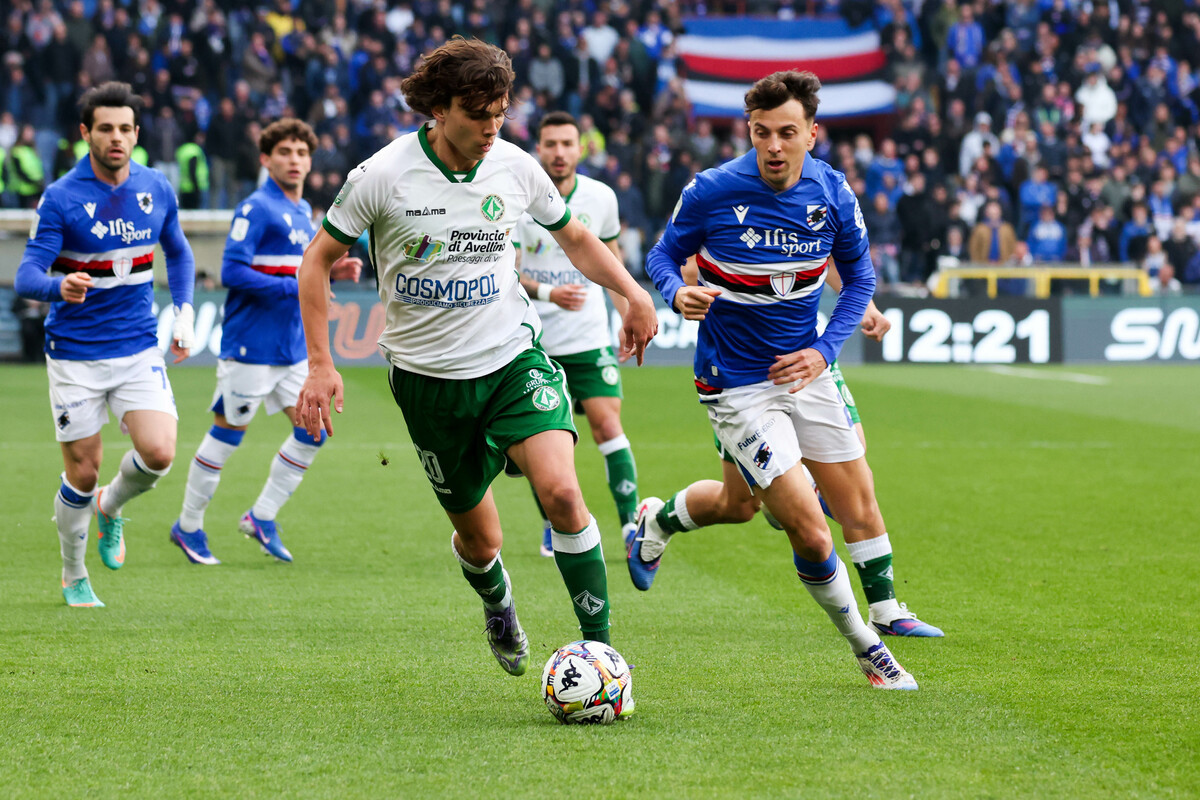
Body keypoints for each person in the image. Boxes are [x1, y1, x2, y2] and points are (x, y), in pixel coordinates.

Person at [294, 38, 657, 682]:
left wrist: (633, 293)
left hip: (512, 359)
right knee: (482, 541)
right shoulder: (382, 175)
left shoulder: (514, 166)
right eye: (477, 115)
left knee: (563, 493)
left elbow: (576, 238)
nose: (492, 128)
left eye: (500, 113)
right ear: (439, 109)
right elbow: (316, 261)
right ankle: (498, 600)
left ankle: (603, 657)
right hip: (428, 382)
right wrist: (321, 363)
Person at [639, 70, 918, 689]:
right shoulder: (712, 189)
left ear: (811, 134)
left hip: (806, 370)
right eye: (761, 132)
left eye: (787, 133)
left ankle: (888, 609)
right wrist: (675, 290)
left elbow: (861, 280)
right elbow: (661, 254)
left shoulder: (833, 191)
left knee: (850, 503)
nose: (773, 145)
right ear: (749, 131)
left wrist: (823, 351)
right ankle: (870, 650)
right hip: (736, 383)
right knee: (810, 530)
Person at [638, 256, 944, 639]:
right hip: (740, 374)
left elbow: (831, 254)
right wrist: (685, 291)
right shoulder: (718, 216)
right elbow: (678, 261)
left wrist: (865, 305)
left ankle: (884, 609)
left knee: (852, 473)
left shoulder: (820, 214)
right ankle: (658, 520)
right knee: (739, 505)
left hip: (806, 354)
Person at [14, 81, 196, 608]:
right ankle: (73, 575)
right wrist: (58, 287)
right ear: (85, 133)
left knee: (159, 453)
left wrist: (183, 311)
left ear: (137, 134)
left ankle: (110, 507)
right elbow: (27, 275)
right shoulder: (62, 198)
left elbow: (179, 252)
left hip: (137, 346)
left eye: (124, 129)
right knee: (83, 471)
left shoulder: (155, 187)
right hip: (75, 353)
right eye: (105, 129)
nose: (116, 137)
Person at [170, 119, 362, 565]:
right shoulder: (255, 208)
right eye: (284, 152)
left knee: (313, 431)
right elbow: (232, 272)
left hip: (292, 350)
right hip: (251, 346)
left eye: (301, 153)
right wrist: (296, 286)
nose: (294, 160)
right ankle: (188, 526)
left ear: (310, 162)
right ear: (265, 159)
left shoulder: (304, 212)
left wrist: (331, 272)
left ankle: (261, 516)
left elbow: (303, 270)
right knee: (226, 436)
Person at [513, 111, 640, 557]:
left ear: (580, 148)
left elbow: (613, 263)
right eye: (551, 144)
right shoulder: (519, 198)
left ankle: (631, 526)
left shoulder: (601, 197)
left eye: (567, 143)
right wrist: (549, 292)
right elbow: (507, 270)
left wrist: (626, 315)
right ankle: (552, 522)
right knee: (541, 444)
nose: (559, 152)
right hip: (534, 344)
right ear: (539, 148)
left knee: (608, 425)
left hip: (588, 339)